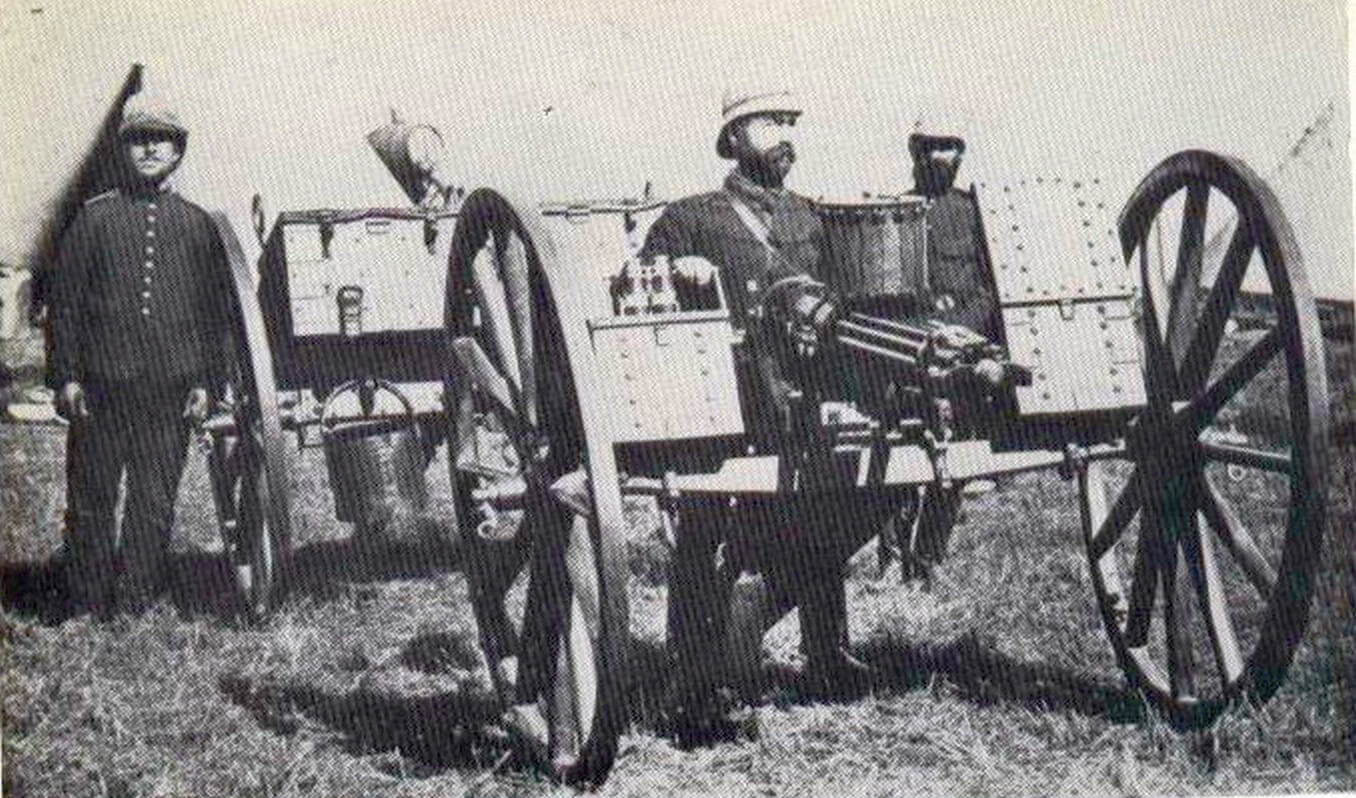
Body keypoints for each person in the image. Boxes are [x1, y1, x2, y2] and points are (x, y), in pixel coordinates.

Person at [641, 87, 893, 745]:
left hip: (806, 399)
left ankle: (825, 651)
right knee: (704, 532)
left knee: (840, 505)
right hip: (726, 407)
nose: (785, 134)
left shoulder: (814, 218)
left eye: (790, 123)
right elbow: (643, 299)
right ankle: (694, 675)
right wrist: (677, 271)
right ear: (731, 136)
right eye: (770, 122)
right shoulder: (691, 218)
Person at [46, 93, 231, 618]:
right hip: (102, 389)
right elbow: (66, 304)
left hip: (168, 392)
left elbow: (211, 313)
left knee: (153, 504)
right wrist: (66, 378)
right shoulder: (93, 220)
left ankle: (132, 605)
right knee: (91, 501)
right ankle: (84, 603)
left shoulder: (197, 226)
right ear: (123, 150)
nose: (150, 149)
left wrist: (205, 383)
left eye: (162, 140)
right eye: (138, 140)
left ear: (179, 151)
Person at [899, 106, 999, 582]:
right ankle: (893, 554)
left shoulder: (974, 211)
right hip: (908, 350)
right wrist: (923, 333)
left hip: (964, 348)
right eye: (933, 146)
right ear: (915, 151)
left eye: (951, 146)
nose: (942, 155)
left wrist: (965, 328)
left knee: (953, 460)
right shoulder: (893, 210)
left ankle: (927, 558)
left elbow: (990, 285)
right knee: (897, 454)